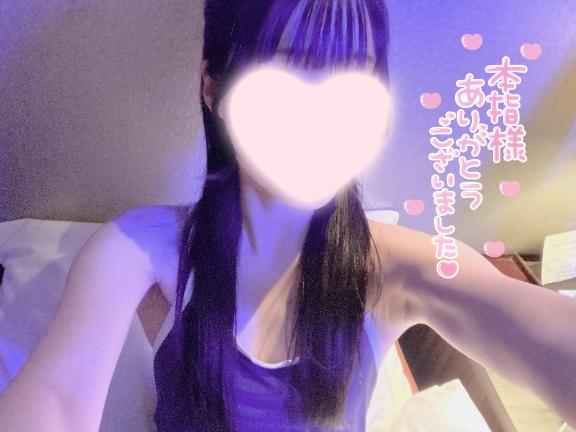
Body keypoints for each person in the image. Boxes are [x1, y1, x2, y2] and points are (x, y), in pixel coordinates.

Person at [1, 0, 575, 431]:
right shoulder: (138, 250)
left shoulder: (402, 266)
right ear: (213, 86)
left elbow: (543, 333)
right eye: (288, 73)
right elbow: (57, 399)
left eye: (354, 79)